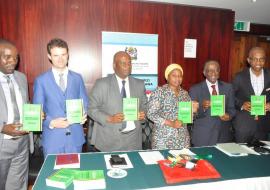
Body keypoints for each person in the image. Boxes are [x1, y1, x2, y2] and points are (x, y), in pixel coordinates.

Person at [33, 38, 89, 157]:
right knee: (53, 174)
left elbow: (84, 102)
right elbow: (37, 111)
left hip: (75, 138)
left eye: (63, 54)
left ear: (68, 55)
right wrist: (51, 122)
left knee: (75, 174)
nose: (60, 59)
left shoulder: (77, 78)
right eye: (56, 55)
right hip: (53, 140)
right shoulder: (41, 80)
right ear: (49, 56)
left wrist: (84, 114)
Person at [88, 51, 147, 152]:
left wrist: (142, 114)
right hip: (109, 140)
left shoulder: (139, 84)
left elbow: (145, 106)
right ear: (114, 65)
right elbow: (90, 108)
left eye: (129, 63)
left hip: (133, 141)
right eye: (123, 63)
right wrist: (110, 118)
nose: (127, 66)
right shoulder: (102, 84)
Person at [0, 39, 30, 190]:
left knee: (17, 186)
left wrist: (36, 115)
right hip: (2, 144)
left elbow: (25, 105)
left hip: (22, 143)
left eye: (16, 57)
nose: (13, 61)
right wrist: (2, 127)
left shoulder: (21, 78)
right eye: (7, 57)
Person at [147, 63, 198, 149]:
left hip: (182, 139)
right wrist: (171, 123)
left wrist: (194, 111)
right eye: (174, 75)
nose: (177, 78)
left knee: (183, 162)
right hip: (163, 139)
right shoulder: (159, 92)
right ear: (167, 77)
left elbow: (188, 118)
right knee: (163, 162)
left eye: (180, 76)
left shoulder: (185, 94)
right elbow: (150, 114)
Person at [189, 60, 236, 147]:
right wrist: (202, 107)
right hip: (203, 135)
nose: (213, 73)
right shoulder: (195, 89)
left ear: (219, 71)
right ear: (204, 72)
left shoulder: (228, 87)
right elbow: (192, 116)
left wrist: (228, 116)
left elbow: (232, 109)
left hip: (224, 135)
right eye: (210, 70)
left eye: (216, 70)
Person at [233, 47, 270, 143]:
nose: (258, 62)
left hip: (263, 125)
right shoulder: (239, 77)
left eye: (262, 59)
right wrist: (242, 104)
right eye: (255, 59)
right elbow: (231, 97)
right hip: (243, 126)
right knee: (242, 154)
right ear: (249, 60)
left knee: (261, 156)